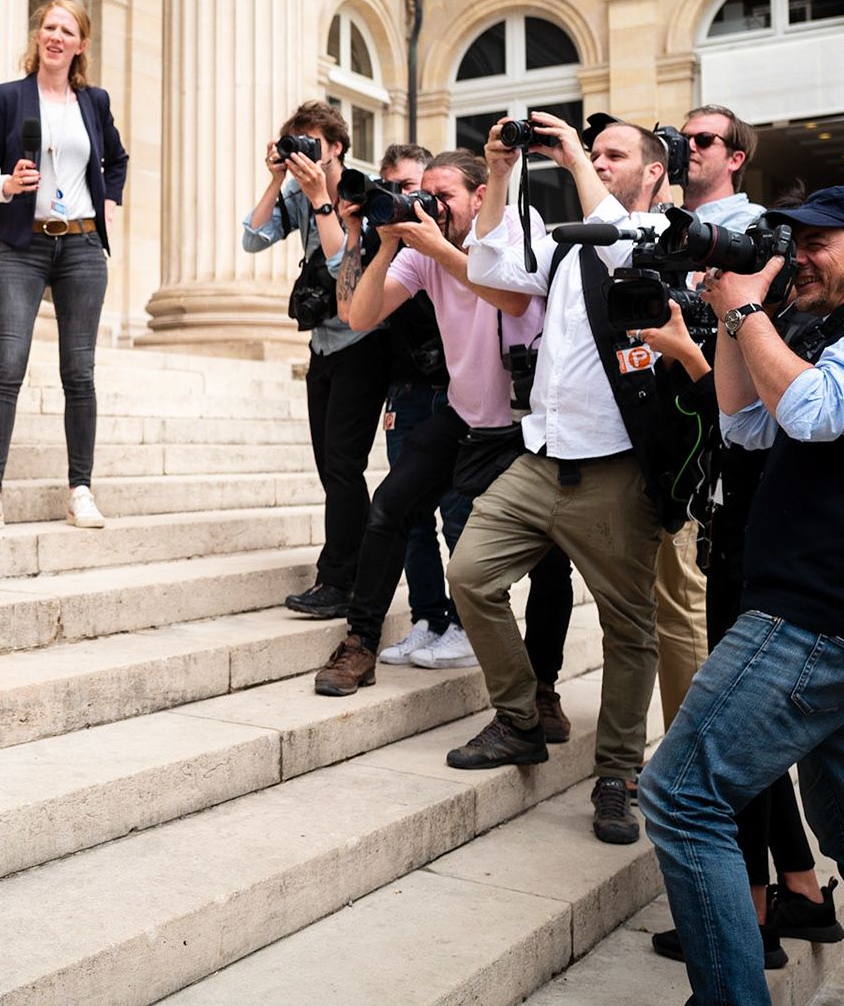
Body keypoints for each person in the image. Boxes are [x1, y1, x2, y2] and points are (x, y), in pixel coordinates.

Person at [645, 187, 844, 1006]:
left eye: (818, 241)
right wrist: (729, 314)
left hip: (823, 616)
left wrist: (749, 309)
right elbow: (747, 424)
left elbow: (816, 413)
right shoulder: (834, 327)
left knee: (681, 795)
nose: (801, 256)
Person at [449, 111, 694, 849]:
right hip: (540, 456)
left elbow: (624, 246)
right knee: (469, 574)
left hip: (616, 471)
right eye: (594, 154)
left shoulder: (662, 235)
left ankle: (618, 774)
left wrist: (571, 161)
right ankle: (522, 718)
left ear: (653, 171)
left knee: (629, 630)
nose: (596, 161)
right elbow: (489, 268)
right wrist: (498, 173)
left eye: (613, 154)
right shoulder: (563, 243)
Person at [319, 150, 588, 721]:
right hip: (464, 415)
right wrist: (389, 242)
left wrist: (437, 247)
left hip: (524, 424)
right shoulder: (421, 255)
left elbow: (512, 296)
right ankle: (360, 644)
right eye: (427, 194)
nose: (433, 205)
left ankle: (543, 689)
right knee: (389, 507)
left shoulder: (519, 228)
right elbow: (360, 316)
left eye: (445, 196)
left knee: (549, 562)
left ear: (476, 196)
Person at [0, 0, 128, 532]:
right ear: (38, 37)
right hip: (22, 246)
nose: (55, 36)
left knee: (79, 372)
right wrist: (5, 186)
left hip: (80, 246)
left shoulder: (94, 102)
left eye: (68, 30)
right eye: (48, 27)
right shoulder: (9, 98)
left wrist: (107, 201)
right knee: (7, 365)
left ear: (81, 44)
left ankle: (80, 488)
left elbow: (118, 160)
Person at [242, 102, 391, 619]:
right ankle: (357, 568)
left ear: (337, 149)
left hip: (363, 344)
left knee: (345, 466)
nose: (306, 153)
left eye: (314, 145)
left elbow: (339, 263)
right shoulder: (296, 193)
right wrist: (277, 180)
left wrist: (321, 201)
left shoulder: (359, 191)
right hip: (323, 346)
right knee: (331, 468)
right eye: (295, 144)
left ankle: (338, 580)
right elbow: (252, 238)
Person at [649, 104, 764, 728]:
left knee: (683, 602)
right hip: (644, 423)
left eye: (701, 139)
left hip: (703, 436)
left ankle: (687, 758)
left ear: (735, 157)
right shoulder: (655, 224)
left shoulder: (751, 230)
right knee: (648, 607)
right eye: (677, 137)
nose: (685, 147)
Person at [362, 145, 461, 664]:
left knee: (456, 511)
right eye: (393, 188)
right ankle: (428, 616)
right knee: (411, 517)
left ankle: (464, 624)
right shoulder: (398, 246)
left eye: (413, 188)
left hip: (454, 391)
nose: (403, 198)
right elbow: (358, 312)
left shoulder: (453, 244)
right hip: (404, 390)